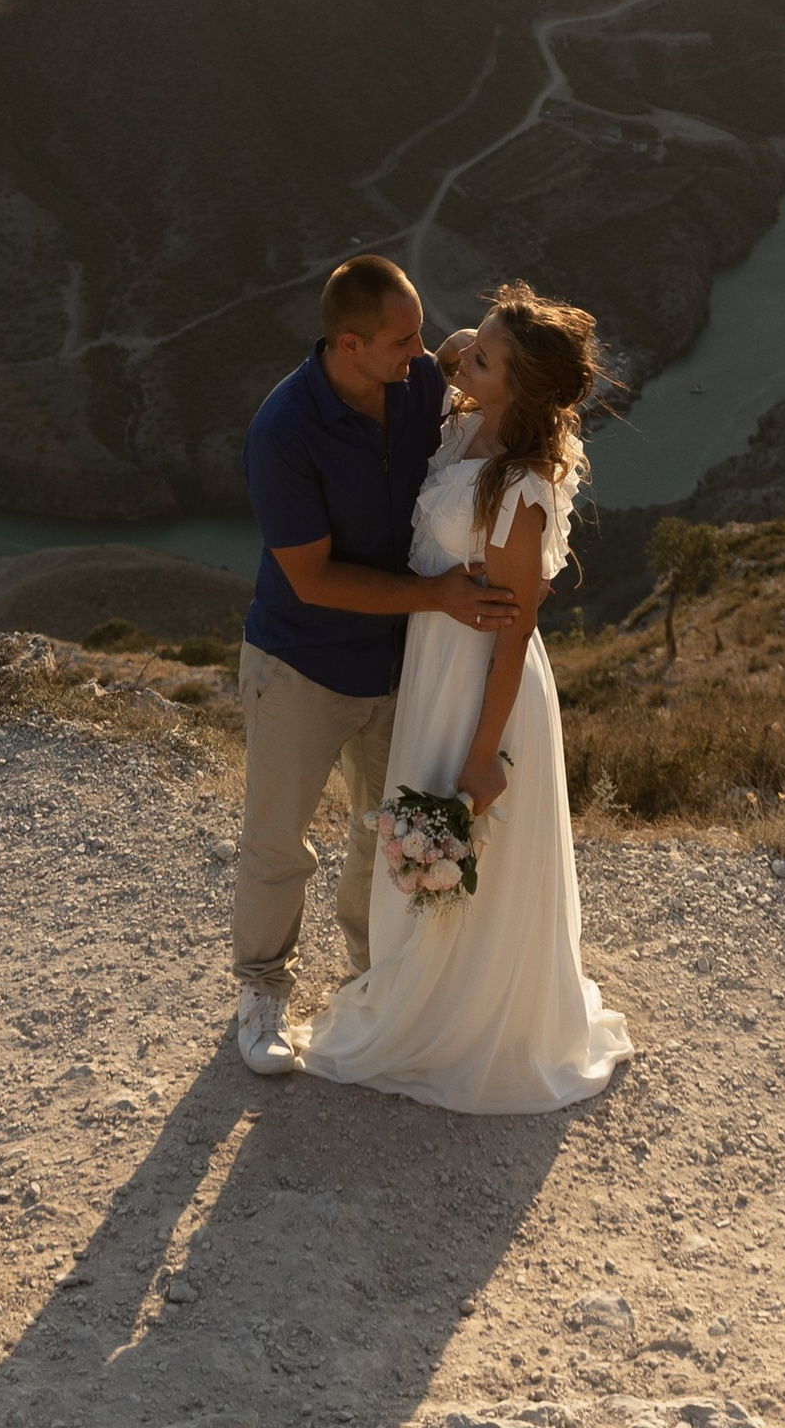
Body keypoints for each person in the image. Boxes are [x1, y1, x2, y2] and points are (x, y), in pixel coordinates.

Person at [301, 280, 633, 1114]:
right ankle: (418, 994)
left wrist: (485, 755)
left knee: (465, 833)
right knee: (421, 827)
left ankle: (468, 1022)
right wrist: (477, 351)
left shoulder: (520, 488)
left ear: (520, 390)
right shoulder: (468, 418)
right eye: (473, 350)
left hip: (485, 680)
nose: (458, 361)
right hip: (434, 666)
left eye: (484, 361)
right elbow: (452, 350)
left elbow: (514, 634)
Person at [234, 255, 518, 1076]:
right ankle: (262, 993)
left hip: (400, 664)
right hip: (301, 664)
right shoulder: (283, 432)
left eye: (422, 335)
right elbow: (312, 578)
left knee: (384, 833)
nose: (423, 352)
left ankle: (374, 985)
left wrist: (466, 350)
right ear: (349, 345)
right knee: (278, 841)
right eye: (404, 340)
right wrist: (436, 598)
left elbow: (467, 367)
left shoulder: (417, 381)